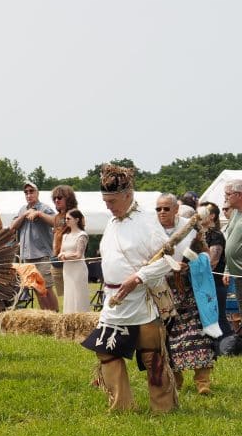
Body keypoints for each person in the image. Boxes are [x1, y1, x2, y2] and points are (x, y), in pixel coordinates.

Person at [81, 165, 177, 413]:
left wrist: (137, 277)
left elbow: (166, 261)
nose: (107, 206)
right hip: (114, 301)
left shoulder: (147, 221)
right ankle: (121, 405)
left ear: (128, 195)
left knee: (152, 356)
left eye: (111, 200)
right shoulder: (112, 221)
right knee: (105, 352)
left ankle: (163, 408)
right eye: (105, 200)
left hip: (141, 300)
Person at [156, 194, 217, 395]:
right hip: (164, 291)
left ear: (176, 209)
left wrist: (190, 265)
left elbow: (207, 255)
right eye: (158, 209)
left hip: (191, 290)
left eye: (166, 208)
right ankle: (176, 380)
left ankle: (203, 382)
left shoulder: (191, 228)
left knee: (198, 334)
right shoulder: (152, 231)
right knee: (169, 338)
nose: (162, 212)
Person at [10, 181, 58, 311]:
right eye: (26, 192)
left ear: (37, 193)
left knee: (47, 288)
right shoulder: (22, 210)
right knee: (37, 289)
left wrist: (39, 214)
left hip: (42, 256)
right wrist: (24, 215)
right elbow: (12, 227)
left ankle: (55, 316)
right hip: (26, 257)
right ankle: (45, 316)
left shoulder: (44, 208)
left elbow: (56, 222)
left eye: (31, 191)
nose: (28, 194)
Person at [200, 201, 232, 337]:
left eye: (200, 213)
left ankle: (228, 346)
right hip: (205, 283)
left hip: (216, 283)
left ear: (211, 216)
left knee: (219, 317)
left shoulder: (216, 235)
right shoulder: (202, 234)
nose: (197, 216)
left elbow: (212, 262)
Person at [57, 208, 90, 313]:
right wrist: (61, 256)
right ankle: (69, 317)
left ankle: (81, 318)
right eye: (65, 219)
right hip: (67, 269)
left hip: (78, 269)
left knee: (78, 294)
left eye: (68, 218)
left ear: (76, 220)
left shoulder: (82, 235)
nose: (66, 221)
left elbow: (79, 255)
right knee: (69, 292)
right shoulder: (65, 236)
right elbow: (60, 252)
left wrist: (65, 256)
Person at [50, 185, 78, 300]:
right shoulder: (56, 217)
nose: (56, 200)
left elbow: (79, 236)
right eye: (55, 198)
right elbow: (56, 236)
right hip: (57, 258)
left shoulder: (75, 215)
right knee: (63, 296)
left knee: (73, 294)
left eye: (60, 197)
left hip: (70, 259)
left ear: (68, 198)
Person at [224, 180, 242, 294]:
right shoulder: (235, 212)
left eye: (228, 194)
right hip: (237, 275)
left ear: (239, 195)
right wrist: (227, 269)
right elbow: (230, 241)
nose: (225, 198)